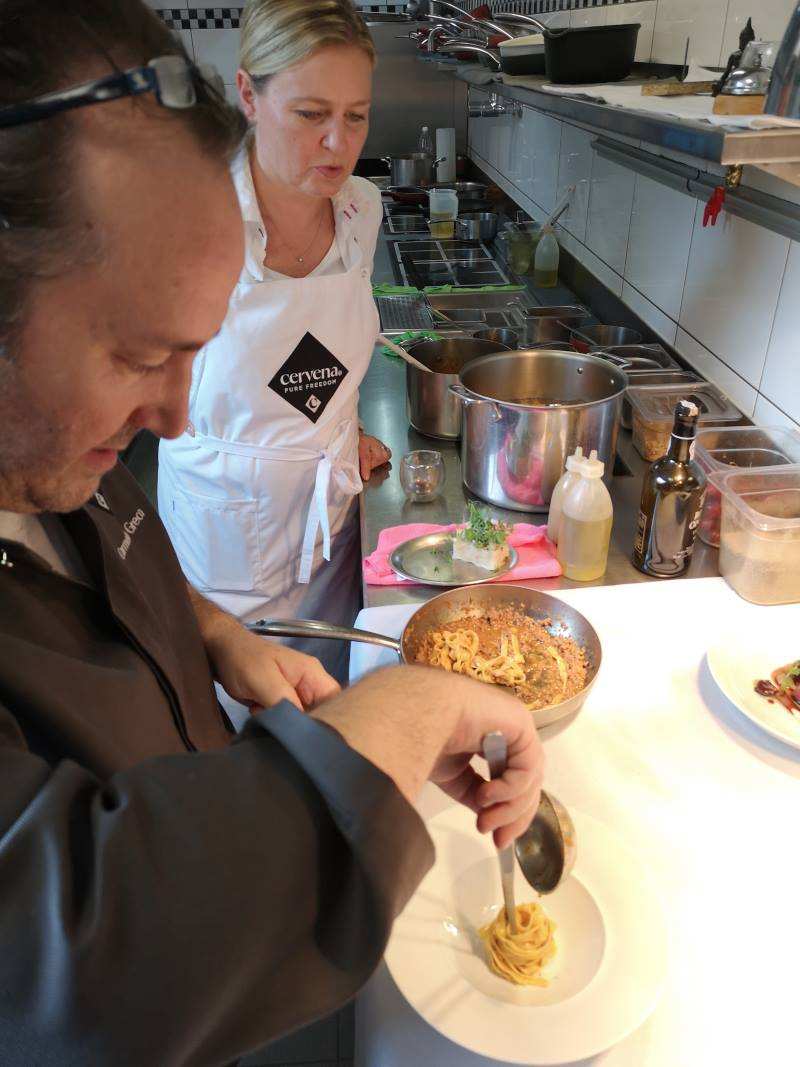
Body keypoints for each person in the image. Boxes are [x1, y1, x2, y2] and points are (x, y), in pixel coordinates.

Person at [0, 3, 546, 1064]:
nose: (173, 417)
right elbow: (93, 959)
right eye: (137, 355)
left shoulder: (55, 462)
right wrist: (412, 708)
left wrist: (212, 632)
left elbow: (110, 569)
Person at [158, 0, 391, 689]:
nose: (338, 144)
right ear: (248, 95)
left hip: (331, 534)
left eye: (356, 116)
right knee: (239, 730)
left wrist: (338, 426)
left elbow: (325, 352)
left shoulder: (361, 209)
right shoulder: (190, 219)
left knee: (334, 704)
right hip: (225, 561)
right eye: (311, 114)